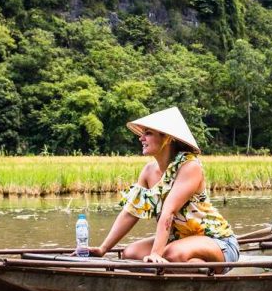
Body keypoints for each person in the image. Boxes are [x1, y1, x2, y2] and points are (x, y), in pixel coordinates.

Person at [87, 107, 240, 271]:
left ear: (167, 138)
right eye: (142, 133)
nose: (141, 138)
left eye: (148, 133)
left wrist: (156, 254)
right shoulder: (148, 171)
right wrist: (103, 249)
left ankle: (199, 272)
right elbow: (130, 212)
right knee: (130, 253)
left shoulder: (189, 166)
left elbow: (168, 212)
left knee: (171, 254)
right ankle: (191, 267)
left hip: (216, 241)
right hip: (179, 240)